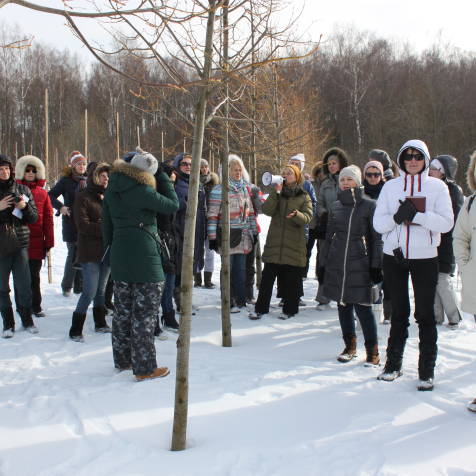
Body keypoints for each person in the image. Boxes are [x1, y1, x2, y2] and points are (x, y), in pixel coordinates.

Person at [373, 139, 453, 391]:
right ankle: (393, 364)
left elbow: (446, 223)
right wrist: (397, 218)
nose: (413, 161)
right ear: (401, 161)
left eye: (418, 157)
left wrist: (417, 215)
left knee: (425, 314)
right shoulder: (390, 187)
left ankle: (426, 369)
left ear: (425, 160)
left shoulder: (437, 187)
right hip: (394, 256)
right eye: (408, 157)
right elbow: (378, 224)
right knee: (399, 312)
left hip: (425, 256)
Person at [102, 148, 179, 381]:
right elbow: (173, 204)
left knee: (122, 311)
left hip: (120, 255)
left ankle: (123, 360)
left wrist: (113, 249)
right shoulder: (143, 190)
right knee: (144, 315)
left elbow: (106, 225)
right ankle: (144, 368)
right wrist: (163, 176)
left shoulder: (113, 188)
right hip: (146, 257)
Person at [319, 165, 382, 365]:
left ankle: (373, 351)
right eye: (343, 180)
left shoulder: (369, 205)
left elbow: (376, 240)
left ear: (358, 181)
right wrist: (323, 264)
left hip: (361, 264)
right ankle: (350, 346)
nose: (345, 183)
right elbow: (329, 238)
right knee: (343, 306)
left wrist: (376, 266)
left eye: (349, 179)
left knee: (364, 308)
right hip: (338, 264)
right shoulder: (336, 206)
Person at [249, 164, 312, 320]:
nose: (285, 175)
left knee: (292, 279)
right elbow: (268, 210)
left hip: (294, 244)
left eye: (289, 173)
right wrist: (275, 193)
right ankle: (260, 309)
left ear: (296, 176)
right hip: (275, 244)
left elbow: (308, 217)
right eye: (283, 173)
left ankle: (290, 310)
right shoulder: (277, 192)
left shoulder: (303, 196)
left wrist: (297, 215)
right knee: (267, 279)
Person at [207, 154, 258, 313]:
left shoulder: (244, 188)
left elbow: (249, 213)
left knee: (241, 270)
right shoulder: (218, 190)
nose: (238, 173)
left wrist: (253, 232)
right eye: (235, 170)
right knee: (227, 270)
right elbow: (212, 215)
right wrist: (213, 238)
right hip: (227, 236)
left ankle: (241, 302)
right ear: (227, 171)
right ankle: (228, 301)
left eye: (240, 170)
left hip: (243, 236)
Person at [69, 162, 112, 342]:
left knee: (102, 290)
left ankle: (100, 322)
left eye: (108, 177)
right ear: (95, 177)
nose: (106, 179)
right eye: (102, 176)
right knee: (90, 291)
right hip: (90, 251)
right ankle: (76, 328)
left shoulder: (110, 196)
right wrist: (105, 227)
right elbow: (82, 225)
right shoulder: (83, 197)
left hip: (107, 249)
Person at [0, 154, 38, 337]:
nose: (4, 172)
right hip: (1, 246)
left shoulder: (22, 189)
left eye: (7, 168)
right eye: (0, 169)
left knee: (24, 284)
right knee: (2, 287)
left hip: (20, 243)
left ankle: (27, 319)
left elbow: (33, 218)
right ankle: (8, 323)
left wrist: (24, 207)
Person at [14, 155, 54, 317]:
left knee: (34, 276)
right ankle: (21, 306)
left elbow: (49, 218)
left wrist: (49, 241)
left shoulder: (43, 194)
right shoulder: (14, 190)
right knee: (20, 276)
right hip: (18, 241)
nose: (30, 173)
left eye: (33, 170)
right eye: (27, 170)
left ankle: (36, 306)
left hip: (37, 241)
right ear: (22, 171)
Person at [428, 155, 464, 328]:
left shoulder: (453, 190)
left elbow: (453, 219)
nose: (431, 171)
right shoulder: (429, 187)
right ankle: (436, 316)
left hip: (447, 243)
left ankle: (454, 316)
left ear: (443, 172)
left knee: (442, 280)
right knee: (431, 280)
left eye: (435, 169)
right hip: (431, 241)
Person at [49, 151, 87, 297]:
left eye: (83, 164)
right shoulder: (66, 181)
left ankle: (79, 287)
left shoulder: (89, 180)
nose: (82, 166)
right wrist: (61, 207)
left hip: (85, 222)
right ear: (73, 166)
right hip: (71, 222)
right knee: (73, 253)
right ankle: (67, 287)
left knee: (83, 253)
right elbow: (50, 195)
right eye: (79, 164)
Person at [315, 147, 350, 309]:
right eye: (329, 163)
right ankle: (323, 296)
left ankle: (343, 295)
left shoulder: (348, 180)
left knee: (343, 263)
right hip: (327, 228)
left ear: (341, 163)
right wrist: (323, 214)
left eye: (334, 163)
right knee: (324, 261)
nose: (331, 166)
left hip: (345, 228)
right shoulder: (325, 183)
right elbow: (319, 203)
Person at [172, 153, 207, 307]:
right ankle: (180, 300)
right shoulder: (175, 182)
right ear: (178, 166)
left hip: (197, 230)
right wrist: (184, 204)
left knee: (193, 264)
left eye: (191, 164)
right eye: (184, 164)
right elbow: (172, 204)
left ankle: (187, 296)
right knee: (181, 266)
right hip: (181, 231)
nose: (188, 167)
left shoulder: (197, 183)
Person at [362, 160, 387, 323]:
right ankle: (363, 316)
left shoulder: (388, 192)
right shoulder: (359, 192)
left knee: (381, 281)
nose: (372, 177)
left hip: (383, 243)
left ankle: (382, 314)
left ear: (381, 175)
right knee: (364, 281)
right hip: (363, 243)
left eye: (376, 174)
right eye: (369, 174)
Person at [199, 158, 220, 288]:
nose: (204, 169)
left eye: (206, 166)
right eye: (201, 167)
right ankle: (197, 278)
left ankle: (207, 279)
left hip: (211, 221)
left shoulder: (215, 184)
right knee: (196, 250)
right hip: (198, 220)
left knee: (210, 251)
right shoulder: (193, 182)